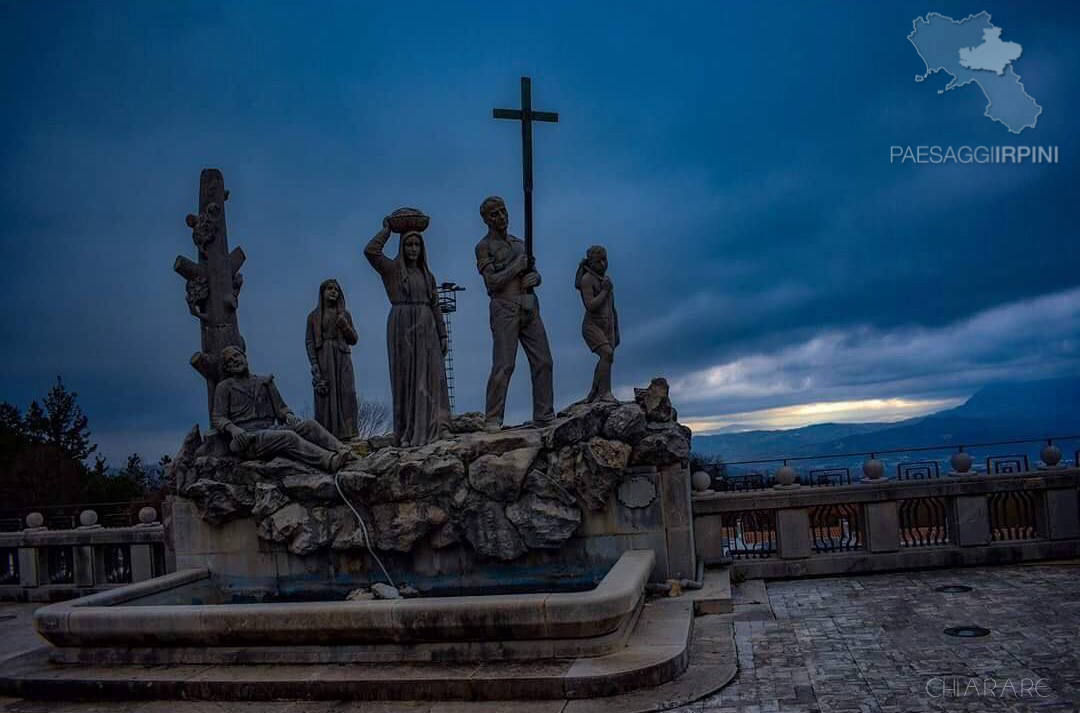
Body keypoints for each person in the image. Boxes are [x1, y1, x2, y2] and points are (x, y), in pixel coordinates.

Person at [364, 217, 450, 446]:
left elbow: (435, 305)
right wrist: (387, 231)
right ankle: (408, 431)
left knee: (432, 377)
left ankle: (436, 426)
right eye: (409, 245)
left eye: (417, 245)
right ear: (402, 247)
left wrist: (442, 334)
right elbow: (371, 252)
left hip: (426, 325)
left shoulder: (427, 276)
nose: (413, 249)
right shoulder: (392, 270)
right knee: (406, 379)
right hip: (402, 325)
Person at [474, 196, 555, 431]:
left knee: (544, 361)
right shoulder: (484, 247)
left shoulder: (520, 243)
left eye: (503, 211)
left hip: (529, 306)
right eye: (494, 214)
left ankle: (544, 414)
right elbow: (492, 282)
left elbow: (534, 272)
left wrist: (535, 277)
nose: (501, 217)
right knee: (504, 364)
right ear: (486, 220)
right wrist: (516, 268)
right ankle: (493, 418)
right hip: (504, 308)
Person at [211, 346, 353, 473]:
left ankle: (344, 450)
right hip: (249, 439)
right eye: (229, 361)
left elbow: (281, 408)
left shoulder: (264, 382)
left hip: (270, 429)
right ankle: (329, 461)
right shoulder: (225, 387)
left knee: (310, 425)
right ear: (227, 368)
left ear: (245, 357)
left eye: (237, 356)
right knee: (288, 436)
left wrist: (288, 415)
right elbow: (218, 417)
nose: (235, 360)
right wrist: (233, 429)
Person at [305, 279, 359, 441]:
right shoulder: (313, 316)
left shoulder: (345, 314)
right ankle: (327, 435)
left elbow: (354, 339)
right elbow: (309, 342)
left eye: (336, 289)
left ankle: (349, 433)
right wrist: (314, 363)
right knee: (326, 397)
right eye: (329, 288)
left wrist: (345, 326)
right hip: (323, 358)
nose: (333, 291)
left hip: (342, 356)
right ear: (322, 292)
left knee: (347, 393)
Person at [575, 245, 619, 402]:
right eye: (598, 261)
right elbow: (591, 305)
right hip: (591, 326)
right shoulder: (587, 280)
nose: (603, 264)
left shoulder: (606, 280)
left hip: (607, 325)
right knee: (607, 354)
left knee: (607, 358)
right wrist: (605, 291)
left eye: (604, 260)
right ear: (590, 262)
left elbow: (612, 308)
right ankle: (604, 393)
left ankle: (594, 392)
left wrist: (616, 330)